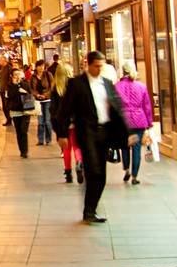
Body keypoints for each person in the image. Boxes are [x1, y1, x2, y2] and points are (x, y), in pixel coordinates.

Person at [57, 50, 126, 223]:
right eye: (96, 66)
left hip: (104, 133)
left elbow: (117, 109)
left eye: (101, 66)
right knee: (94, 171)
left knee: (101, 175)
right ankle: (88, 210)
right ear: (89, 64)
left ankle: (91, 210)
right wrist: (62, 134)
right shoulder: (76, 84)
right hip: (87, 134)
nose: (99, 69)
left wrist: (128, 133)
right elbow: (64, 111)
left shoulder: (107, 84)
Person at [116, 65, 153, 184]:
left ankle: (126, 169)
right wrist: (149, 122)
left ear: (123, 71)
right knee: (136, 149)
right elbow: (147, 106)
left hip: (123, 121)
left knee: (125, 146)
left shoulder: (117, 86)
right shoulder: (141, 87)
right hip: (139, 120)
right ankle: (135, 176)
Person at [4, 66, 35, 158]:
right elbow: (9, 96)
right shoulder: (9, 86)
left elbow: (30, 94)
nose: (17, 77)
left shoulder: (25, 83)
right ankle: (22, 150)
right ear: (11, 76)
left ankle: (25, 151)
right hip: (15, 110)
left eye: (19, 74)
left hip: (25, 110)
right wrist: (14, 86)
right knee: (18, 131)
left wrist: (23, 89)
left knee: (23, 130)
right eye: (15, 75)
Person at [32, 61, 54, 146]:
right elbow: (31, 89)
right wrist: (37, 95)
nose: (41, 68)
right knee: (40, 122)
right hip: (38, 101)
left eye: (43, 66)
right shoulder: (33, 77)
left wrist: (45, 95)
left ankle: (48, 140)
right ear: (36, 67)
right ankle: (40, 140)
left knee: (47, 121)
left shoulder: (48, 75)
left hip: (47, 100)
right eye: (39, 66)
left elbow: (52, 87)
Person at [0, 60, 14, 127]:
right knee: (4, 106)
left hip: (6, 90)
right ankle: (8, 119)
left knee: (6, 106)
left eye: (1, 60)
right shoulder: (1, 68)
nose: (0, 62)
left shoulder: (9, 68)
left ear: (4, 60)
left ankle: (9, 119)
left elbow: (11, 79)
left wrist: (8, 87)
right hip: (2, 90)